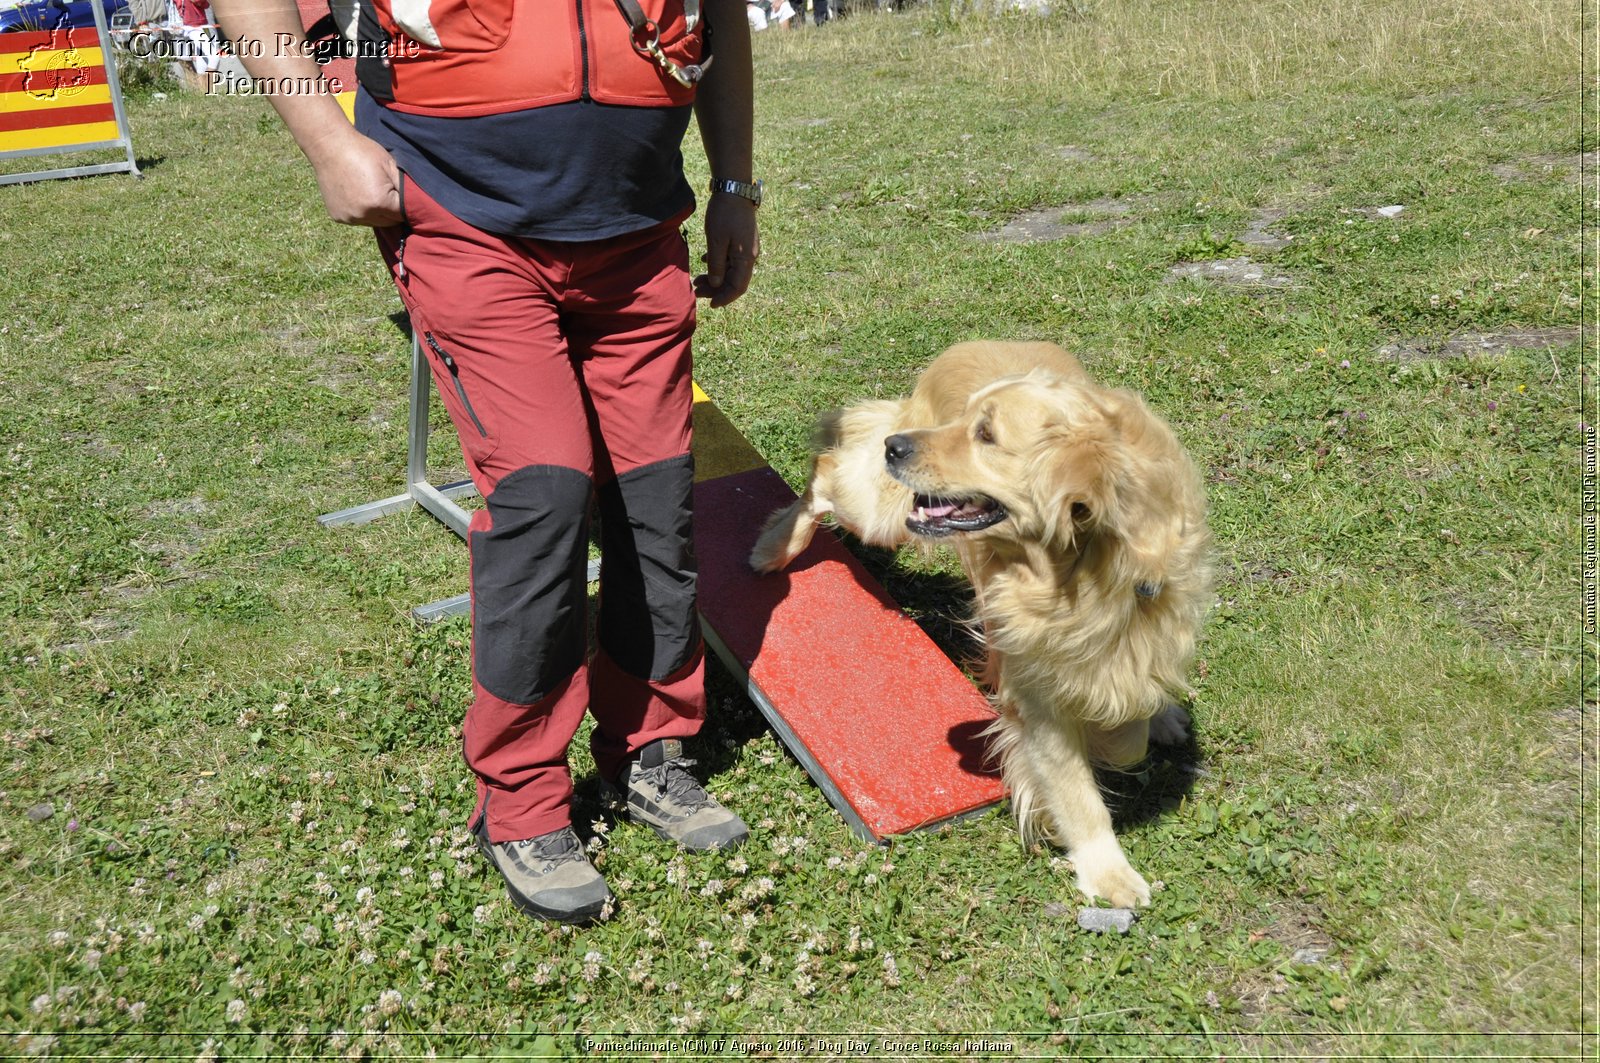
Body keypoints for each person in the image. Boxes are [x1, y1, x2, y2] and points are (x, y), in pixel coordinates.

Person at [211, 0, 759, 925]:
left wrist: (736, 186)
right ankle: (523, 800)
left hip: (636, 230)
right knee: (543, 494)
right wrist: (324, 139)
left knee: (654, 496)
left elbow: (724, 17)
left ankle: (652, 749)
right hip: (463, 218)